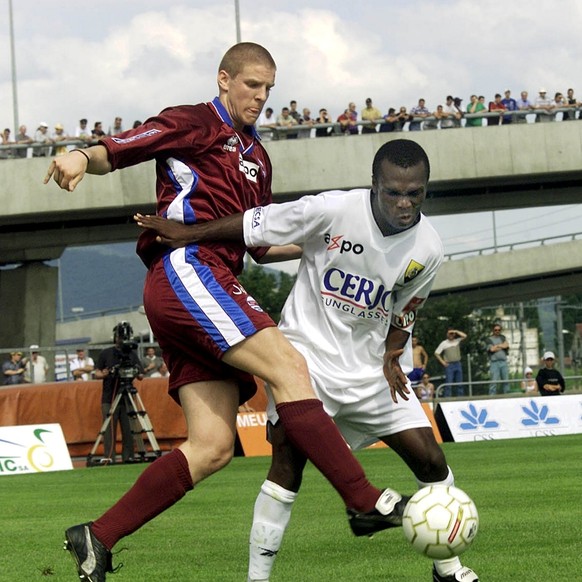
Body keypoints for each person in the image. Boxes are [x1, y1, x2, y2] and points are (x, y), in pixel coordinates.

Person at [46, 42, 403, 581]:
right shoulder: (195, 122)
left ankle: (97, 536)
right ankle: (359, 497)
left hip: (208, 279)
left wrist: (322, 244)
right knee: (289, 367)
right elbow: (117, 148)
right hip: (188, 267)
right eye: (252, 85)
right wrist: (78, 157)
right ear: (224, 79)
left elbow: (260, 244)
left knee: (212, 447)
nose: (261, 97)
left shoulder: (258, 158)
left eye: (269, 89)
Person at [136, 138, 479, 582]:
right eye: (393, 192)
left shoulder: (428, 247)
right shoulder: (333, 210)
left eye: (414, 193)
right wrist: (191, 233)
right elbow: (255, 224)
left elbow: (407, 305)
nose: (403, 203)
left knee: (432, 461)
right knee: (286, 470)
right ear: (373, 185)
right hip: (306, 364)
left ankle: (447, 569)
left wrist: (395, 352)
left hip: (371, 372)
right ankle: (257, 579)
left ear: (425, 190)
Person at [94, 322, 144, 464]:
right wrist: (104, 373)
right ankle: (109, 457)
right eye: (120, 336)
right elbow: (97, 372)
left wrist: (136, 372)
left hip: (127, 397)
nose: (122, 339)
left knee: (129, 429)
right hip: (110, 397)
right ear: (115, 337)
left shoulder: (132, 354)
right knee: (109, 429)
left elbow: (140, 374)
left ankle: (128, 456)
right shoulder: (106, 353)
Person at [434, 328, 467, 397]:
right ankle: (447, 398)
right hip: (449, 365)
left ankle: (460, 397)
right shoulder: (444, 343)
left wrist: (456, 331)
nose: (451, 335)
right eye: (450, 333)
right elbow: (436, 353)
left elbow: (465, 336)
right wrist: (443, 362)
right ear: (447, 334)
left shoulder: (457, 341)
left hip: (457, 363)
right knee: (449, 382)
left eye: (452, 334)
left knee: (459, 382)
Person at [485, 323, 510, 395]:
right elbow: (492, 349)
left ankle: (507, 395)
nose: (497, 331)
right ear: (493, 330)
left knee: (506, 381)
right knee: (494, 381)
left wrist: (497, 346)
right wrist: (501, 346)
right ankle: (492, 397)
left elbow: (506, 345)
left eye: (499, 330)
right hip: (494, 363)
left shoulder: (503, 337)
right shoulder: (489, 339)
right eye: (495, 330)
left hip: (503, 362)